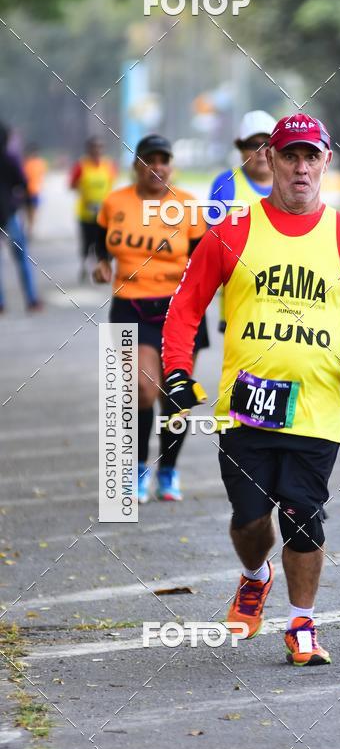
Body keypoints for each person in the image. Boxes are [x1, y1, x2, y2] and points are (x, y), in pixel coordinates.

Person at [162, 113, 340, 666]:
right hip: (246, 406)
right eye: (290, 156)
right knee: (248, 518)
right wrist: (175, 369)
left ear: (327, 161)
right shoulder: (232, 233)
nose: (301, 167)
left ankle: (301, 624)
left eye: (311, 156)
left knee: (303, 516)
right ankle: (253, 574)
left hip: (317, 405)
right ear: (271, 160)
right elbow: (186, 305)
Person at [93, 134, 208, 502]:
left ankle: (169, 471)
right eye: (149, 160)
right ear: (136, 166)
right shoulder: (116, 202)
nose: (156, 167)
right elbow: (101, 243)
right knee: (141, 388)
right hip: (130, 305)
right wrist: (99, 264)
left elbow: (203, 261)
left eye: (163, 160)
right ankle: (138, 468)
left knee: (174, 396)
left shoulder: (187, 206)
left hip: (178, 309)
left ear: (171, 165)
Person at [208, 110, 276, 331]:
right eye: (252, 145)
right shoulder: (226, 184)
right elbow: (210, 245)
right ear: (240, 148)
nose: (260, 151)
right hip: (238, 310)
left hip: (285, 306)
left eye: (267, 143)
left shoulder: (292, 184)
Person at [0, 122, 41, 312]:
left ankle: (1, 304)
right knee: (21, 257)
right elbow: (23, 185)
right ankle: (31, 300)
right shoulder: (10, 158)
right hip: (9, 214)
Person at [70, 137, 116, 282]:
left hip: (104, 213)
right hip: (86, 213)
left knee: (104, 243)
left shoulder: (108, 165)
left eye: (100, 147)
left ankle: (102, 268)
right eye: (94, 147)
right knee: (87, 243)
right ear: (89, 149)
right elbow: (72, 185)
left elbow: (111, 184)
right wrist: (84, 193)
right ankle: (84, 265)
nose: (97, 150)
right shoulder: (81, 166)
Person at [23, 143, 47, 239]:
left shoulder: (40, 163)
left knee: (33, 211)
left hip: (35, 191)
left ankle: (30, 230)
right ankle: (28, 229)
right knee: (27, 211)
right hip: (26, 191)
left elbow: (42, 176)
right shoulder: (26, 163)